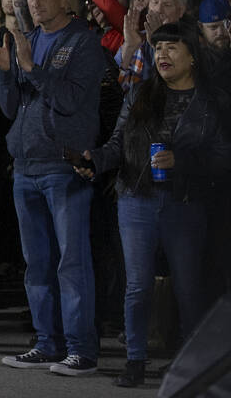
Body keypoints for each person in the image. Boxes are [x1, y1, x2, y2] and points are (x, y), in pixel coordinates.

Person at [76, 23, 231, 388]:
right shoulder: (140, 94)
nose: (162, 54)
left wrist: (184, 161)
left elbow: (223, 156)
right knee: (138, 286)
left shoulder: (213, 101)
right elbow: (117, 143)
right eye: (158, 48)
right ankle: (135, 360)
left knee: (189, 288)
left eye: (172, 48)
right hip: (136, 199)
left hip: (185, 203)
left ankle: (190, 366)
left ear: (192, 55)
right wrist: (94, 160)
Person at [0, 0, 105, 376]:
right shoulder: (31, 39)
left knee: (71, 263)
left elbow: (72, 100)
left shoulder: (84, 43)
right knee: (36, 264)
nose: (34, 2)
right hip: (25, 166)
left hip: (63, 166)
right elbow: (10, 107)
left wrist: (31, 68)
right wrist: (7, 71)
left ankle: (81, 349)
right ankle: (46, 342)